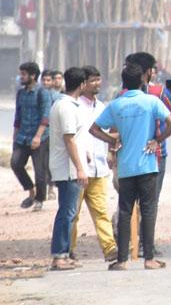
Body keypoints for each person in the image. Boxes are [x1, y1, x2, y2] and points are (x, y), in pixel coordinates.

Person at [90, 63, 171, 271]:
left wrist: (111, 142)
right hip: (147, 165)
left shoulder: (116, 105)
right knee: (148, 211)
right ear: (142, 81)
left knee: (125, 211)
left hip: (126, 166)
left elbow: (93, 129)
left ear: (124, 82)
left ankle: (122, 260)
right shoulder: (150, 102)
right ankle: (149, 258)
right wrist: (157, 140)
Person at [70, 66, 117, 262]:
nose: (97, 84)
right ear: (83, 83)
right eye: (93, 81)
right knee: (73, 214)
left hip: (99, 168)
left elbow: (111, 130)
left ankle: (110, 249)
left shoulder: (101, 107)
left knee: (101, 212)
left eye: (99, 80)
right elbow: (69, 137)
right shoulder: (74, 106)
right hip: (79, 170)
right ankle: (68, 250)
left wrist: (111, 150)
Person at [124, 52, 171, 206]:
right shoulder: (159, 92)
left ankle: (128, 229)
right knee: (151, 202)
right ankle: (145, 230)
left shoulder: (122, 95)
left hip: (128, 153)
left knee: (128, 201)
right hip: (156, 152)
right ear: (149, 71)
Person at [47, 67, 89, 271]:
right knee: (67, 211)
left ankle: (64, 253)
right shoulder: (66, 107)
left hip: (71, 165)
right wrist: (80, 168)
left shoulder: (70, 105)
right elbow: (69, 139)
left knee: (69, 211)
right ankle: (59, 255)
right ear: (82, 85)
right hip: (68, 168)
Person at [11, 61, 54, 212]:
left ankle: (39, 199)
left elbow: (45, 117)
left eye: (23, 74)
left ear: (33, 75)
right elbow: (18, 116)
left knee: (40, 171)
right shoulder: (20, 93)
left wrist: (38, 136)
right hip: (22, 137)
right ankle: (31, 190)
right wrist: (15, 137)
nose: (21, 77)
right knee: (15, 163)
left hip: (40, 138)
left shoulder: (43, 93)